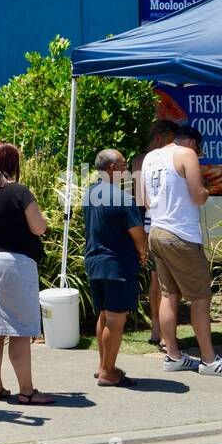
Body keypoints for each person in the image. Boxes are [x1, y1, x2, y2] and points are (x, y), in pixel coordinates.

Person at [141, 123, 222, 376]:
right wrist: (207, 190)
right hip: (181, 234)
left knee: (168, 294)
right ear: (192, 142)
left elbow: (142, 200)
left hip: (156, 230)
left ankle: (173, 356)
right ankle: (209, 360)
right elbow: (198, 196)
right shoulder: (186, 155)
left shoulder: (150, 157)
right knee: (200, 297)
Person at [0, 141, 54, 405]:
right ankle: (27, 391)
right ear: (12, 163)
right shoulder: (19, 192)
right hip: (15, 263)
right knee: (19, 328)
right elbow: (39, 228)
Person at [85, 150, 148, 387]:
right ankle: (108, 372)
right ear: (112, 168)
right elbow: (138, 235)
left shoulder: (90, 193)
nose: (127, 169)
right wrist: (143, 253)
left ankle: (104, 366)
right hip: (117, 265)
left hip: (95, 261)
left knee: (103, 314)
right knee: (115, 317)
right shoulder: (122, 198)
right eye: (124, 164)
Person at [131, 120, 179, 348]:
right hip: (165, 224)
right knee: (165, 283)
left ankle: (157, 330)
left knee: (156, 279)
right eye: (172, 138)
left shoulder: (140, 161)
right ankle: (163, 333)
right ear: (161, 137)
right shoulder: (164, 158)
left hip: (150, 225)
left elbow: (139, 199)